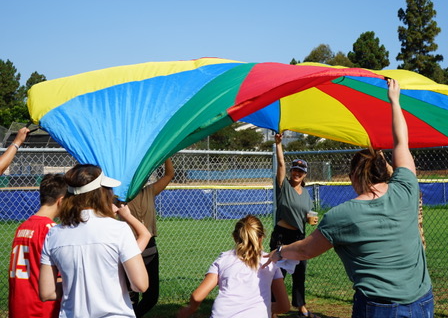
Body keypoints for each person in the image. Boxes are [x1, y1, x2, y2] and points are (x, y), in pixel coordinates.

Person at [263, 78, 433, 317]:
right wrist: (395, 101)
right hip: (423, 301)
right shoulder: (406, 188)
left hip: (379, 307)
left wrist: (278, 253)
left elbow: (304, 251)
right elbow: (401, 142)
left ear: (355, 175)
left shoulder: (343, 215)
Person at [39, 164, 151, 318]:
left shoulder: (54, 234)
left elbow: (47, 292)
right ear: (100, 194)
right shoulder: (118, 229)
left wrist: (76, 285)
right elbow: (140, 284)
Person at [176, 214, 290, 318]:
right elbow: (284, 306)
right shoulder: (271, 263)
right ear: (261, 238)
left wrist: (190, 308)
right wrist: (265, 308)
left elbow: (197, 297)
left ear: (235, 237)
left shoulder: (223, 259)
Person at [270, 132, 318, 318]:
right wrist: (278, 144)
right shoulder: (284, 187)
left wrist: (310, 220)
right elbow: (280, 164)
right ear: (291, 172)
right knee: (278, 272)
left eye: (301, 171)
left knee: (300, 273)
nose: (297, 173)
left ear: (305, 174)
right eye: (295, 170)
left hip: (299, 236)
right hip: (282, 236)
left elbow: (308, 215)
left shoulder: (306, 194)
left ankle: (301, 307)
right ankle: (273, 308)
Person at [8, 173, 67, 318]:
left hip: (18, 307)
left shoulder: (23, 226)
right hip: (41, 309)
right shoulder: (52, 230)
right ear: (61, 201)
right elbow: (60, 277)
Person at [127, 158, 174, 317]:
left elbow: (169, 175)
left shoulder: (149, 191)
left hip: (149, 248)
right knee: (131, 294)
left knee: (151, 296)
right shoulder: (120, 195)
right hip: (129, 247)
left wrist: (166, 155)